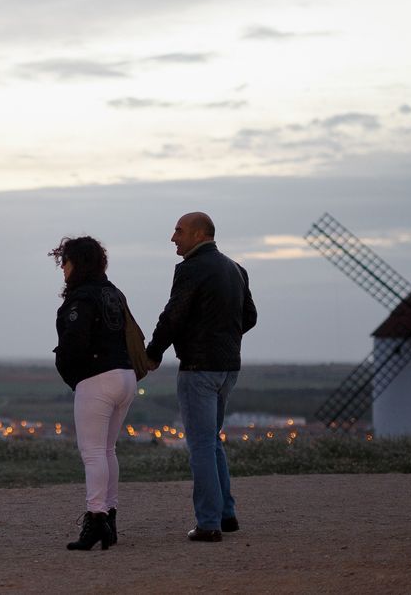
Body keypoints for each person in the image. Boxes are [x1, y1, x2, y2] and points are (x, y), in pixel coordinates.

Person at [146, 212, 258, 542]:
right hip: (228, 368)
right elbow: (249, 317)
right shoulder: (236, 269)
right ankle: (226, 514)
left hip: (198, 368)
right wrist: (223, 335)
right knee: (213, 441)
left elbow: (173, 316)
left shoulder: (191, 269)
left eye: (179, 231)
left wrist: (153, 352)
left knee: (200, 446)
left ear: (198, 234)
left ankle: (208, 523)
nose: (173, 237)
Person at [50, 235, 138, 551]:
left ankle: (96, 518)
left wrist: (70, 372)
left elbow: (74, 344)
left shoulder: (81, 299)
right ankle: (109, 518)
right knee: (107, 450)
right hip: (126, 376)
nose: (63, 269)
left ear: (78, 264)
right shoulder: (113, 293)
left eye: (66, 262)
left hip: (97, 379)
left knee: (92, 452)